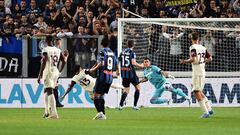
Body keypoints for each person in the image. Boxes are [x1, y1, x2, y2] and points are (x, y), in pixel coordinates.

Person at [179, 32, 214, 118]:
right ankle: (209, 109)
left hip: (197, 72)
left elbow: (193, 59)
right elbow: (210, 58)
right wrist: (202, 61)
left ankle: (206, 112)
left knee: (196, 91)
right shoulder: (203, 47)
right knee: (199, 90)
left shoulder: (192, 47)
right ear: (198, 38)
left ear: (191, 38)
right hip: (202, 71)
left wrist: (184, 61)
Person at [86, 36, 118, 120]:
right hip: (110, 77)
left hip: (102, 76)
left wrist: (92, 70)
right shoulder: (112, 52)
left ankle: (100, 113)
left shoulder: (102, 52)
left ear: (101, 44)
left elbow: (101, 63)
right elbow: (116, 64)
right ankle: (103, 114)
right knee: (102, 95)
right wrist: (118, 71)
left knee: (96, 95)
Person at [37, 35, 68, 119]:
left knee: (50, 91)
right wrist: (60, 71)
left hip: (48, 71)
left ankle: (54, 113)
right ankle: (46, 111)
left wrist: (40, 74)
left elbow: (44, 61)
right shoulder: (58, 50)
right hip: (55, 71)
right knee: (46, 90)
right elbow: (64, 60)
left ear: (46, 41)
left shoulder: (45, 49)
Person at [118, 40, 144, 110]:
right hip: (131, 73)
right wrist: (141, 66)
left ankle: (120, 105)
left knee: (126, 90)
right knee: (138, 88)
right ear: (133, 45)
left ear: (127, 44)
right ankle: (135, 105)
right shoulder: (132, 53)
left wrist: (118, 70)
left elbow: (118, 61)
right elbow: (133, 63)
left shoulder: (122, 52)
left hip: (124, 73)